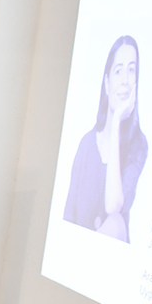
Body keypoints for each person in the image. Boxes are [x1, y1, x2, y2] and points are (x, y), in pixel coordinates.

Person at [61, 35, 146, 243]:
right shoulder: (86, 144)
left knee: (115, 223)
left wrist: (116, 122)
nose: (125, 80)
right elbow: (68, 216)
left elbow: (113, 206)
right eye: (118, 71)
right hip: (76, 255)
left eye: (131, 70)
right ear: (107, 84)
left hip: (110, 259)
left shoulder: (138, 145)